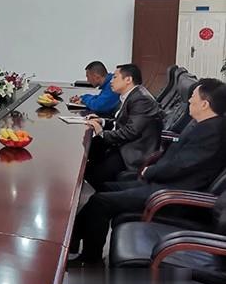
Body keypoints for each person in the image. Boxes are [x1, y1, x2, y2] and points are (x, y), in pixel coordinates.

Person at [70, 78, 226, 266]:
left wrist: (150, 171)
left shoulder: (212, 132)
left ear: (205, 104)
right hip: (165, 185)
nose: (189, 100)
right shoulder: (203, 124)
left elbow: (180, 166)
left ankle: (90, 259)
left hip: (172, 195)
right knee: (104, 188)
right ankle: (73, 242)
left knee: (100, 202)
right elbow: (176, 160)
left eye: (193, 96)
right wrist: (152, 170)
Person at [83, 64, 163, 190]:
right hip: (123, 145)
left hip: (133, 152)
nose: (111, 81)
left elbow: (131, 131)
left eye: (115, 77)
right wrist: (102, 121)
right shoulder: (131, 95)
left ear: (128, 80)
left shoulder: (141, 100)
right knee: (90, 153)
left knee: (93, 171)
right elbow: (121, 122)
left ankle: (105, 196)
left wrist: (102, 133)